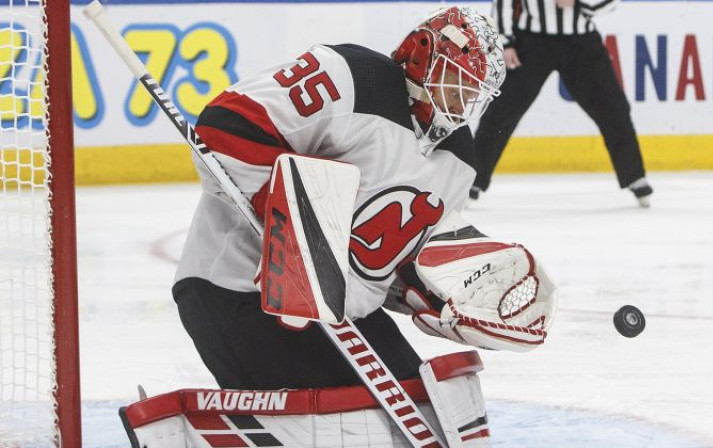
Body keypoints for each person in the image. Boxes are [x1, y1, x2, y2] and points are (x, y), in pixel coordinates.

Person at [171, 6, 555, 394]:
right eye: (459, 80)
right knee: (352, 423)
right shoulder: (353, 78)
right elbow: (224, 128)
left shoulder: (459, 161)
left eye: (475, 91)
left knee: (423, 405)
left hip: (340, 316)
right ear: (422, 52)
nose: (463, 101)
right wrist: (300, 222)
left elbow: (381, 270)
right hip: (236, 291)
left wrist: (432, 299)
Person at [470, 0, 654, 207]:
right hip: (530, 41)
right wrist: (506, 41)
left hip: (581, 42)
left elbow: (608, 4)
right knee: (501, 112)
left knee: (613, 108)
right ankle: (471, 181)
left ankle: (634, 176)